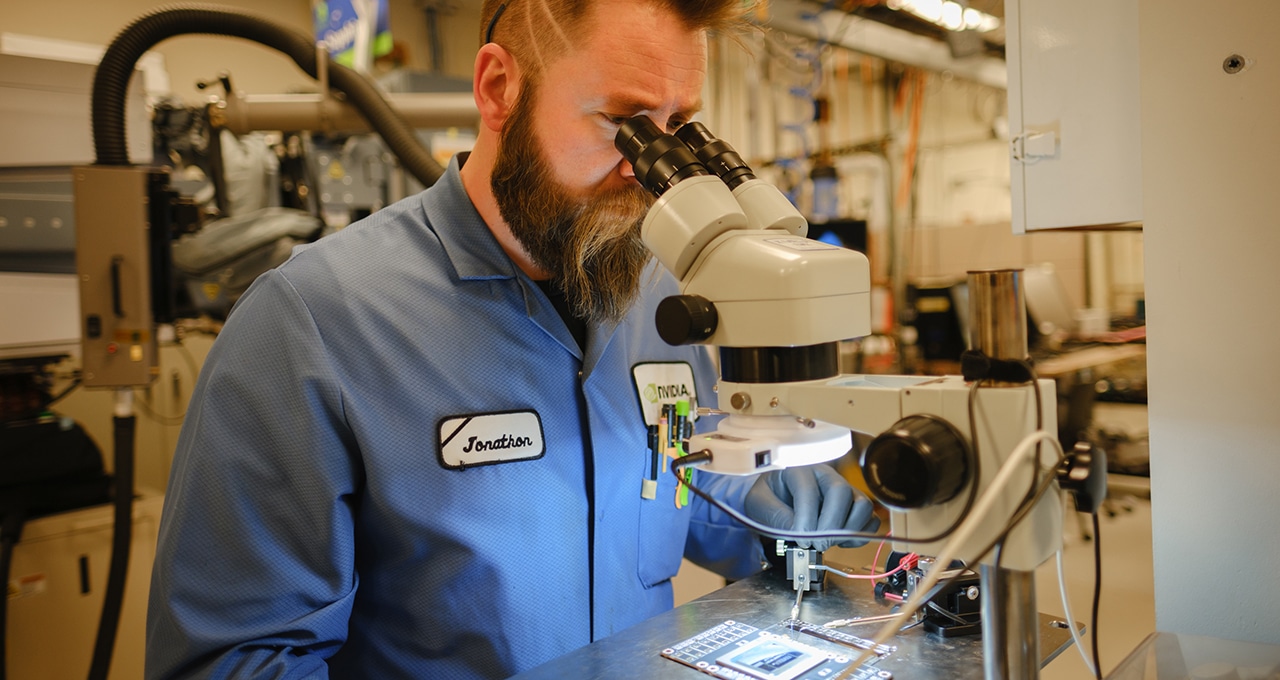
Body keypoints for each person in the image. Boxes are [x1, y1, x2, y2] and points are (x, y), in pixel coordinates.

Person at [146, 1, 879, 678]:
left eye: (679, 123)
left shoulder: (661, 290)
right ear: (499, 88)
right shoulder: (313, 322)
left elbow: (673, 475)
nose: (649, 171)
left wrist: (762, 498)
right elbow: (233, 661)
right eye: (622, 121)